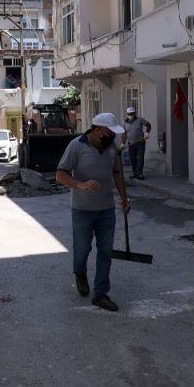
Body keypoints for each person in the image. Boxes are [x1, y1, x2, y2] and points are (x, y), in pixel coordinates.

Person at [56, 113, 131, 312]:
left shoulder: (112, 148)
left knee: (105, 251)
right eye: (109, 133)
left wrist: (124, 199)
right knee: (82, 250)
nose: (112, 136)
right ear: (97, 130)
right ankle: (80, 273)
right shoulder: (76, 146)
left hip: (106, 209)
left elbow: (117, 173)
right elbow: (60, 174)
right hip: (82, 209)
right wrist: (80, 185)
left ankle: (101, 294)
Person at [121, 106, 151, 180]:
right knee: (132, 158)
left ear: (135, 114)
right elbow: (124, 134)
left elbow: (148, 125)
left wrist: (147, 133)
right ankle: (135, 173)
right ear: (127, 114)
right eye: (129, 114)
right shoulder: (125, 123)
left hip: (140, 142)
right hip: (131, 143)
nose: (131, 115)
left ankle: (139, 173)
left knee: (140, 158)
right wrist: (122, 143)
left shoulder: (140, 120)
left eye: (132, 114)